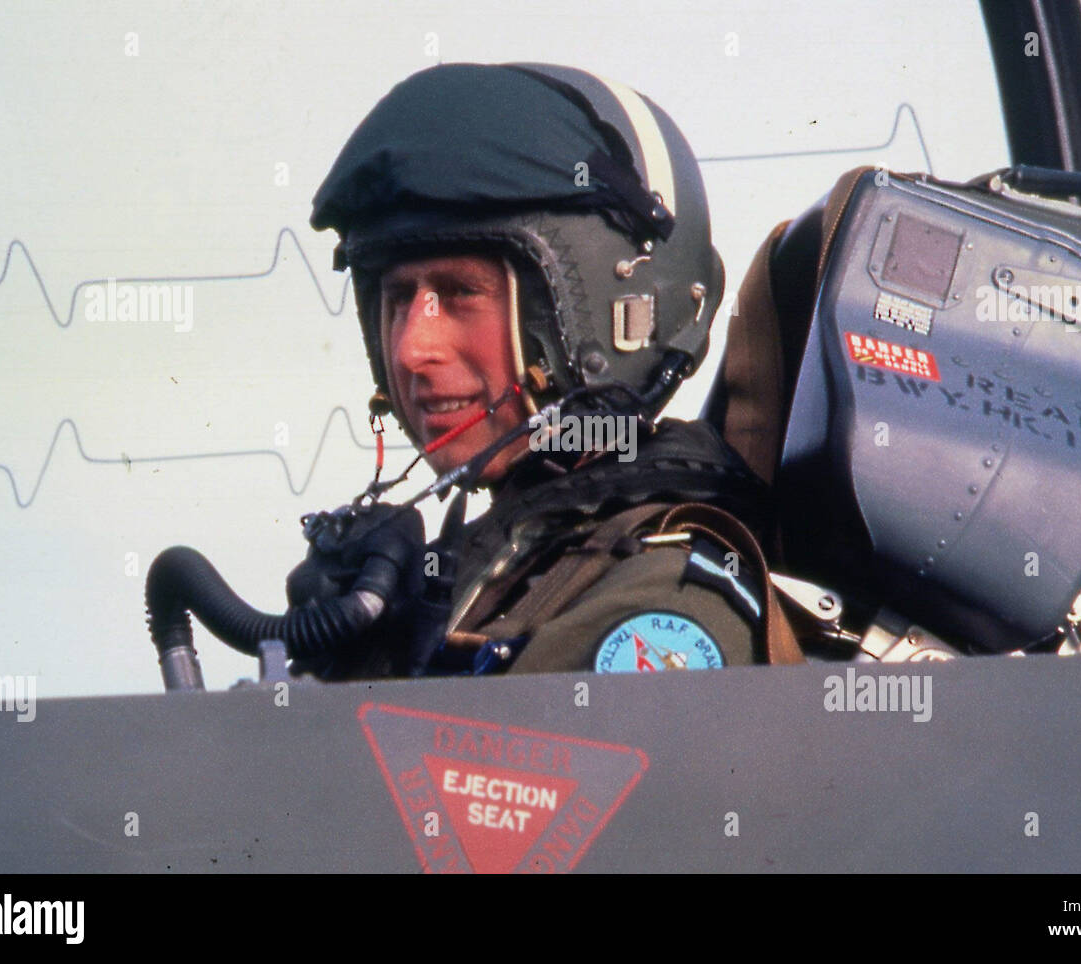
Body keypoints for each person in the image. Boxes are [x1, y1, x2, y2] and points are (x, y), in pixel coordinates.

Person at [286, 62, 804, 679]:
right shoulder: (517, 561)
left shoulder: (666, 596)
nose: (410, 349)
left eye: (458, 294)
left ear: (617, 317)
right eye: (398, 299)